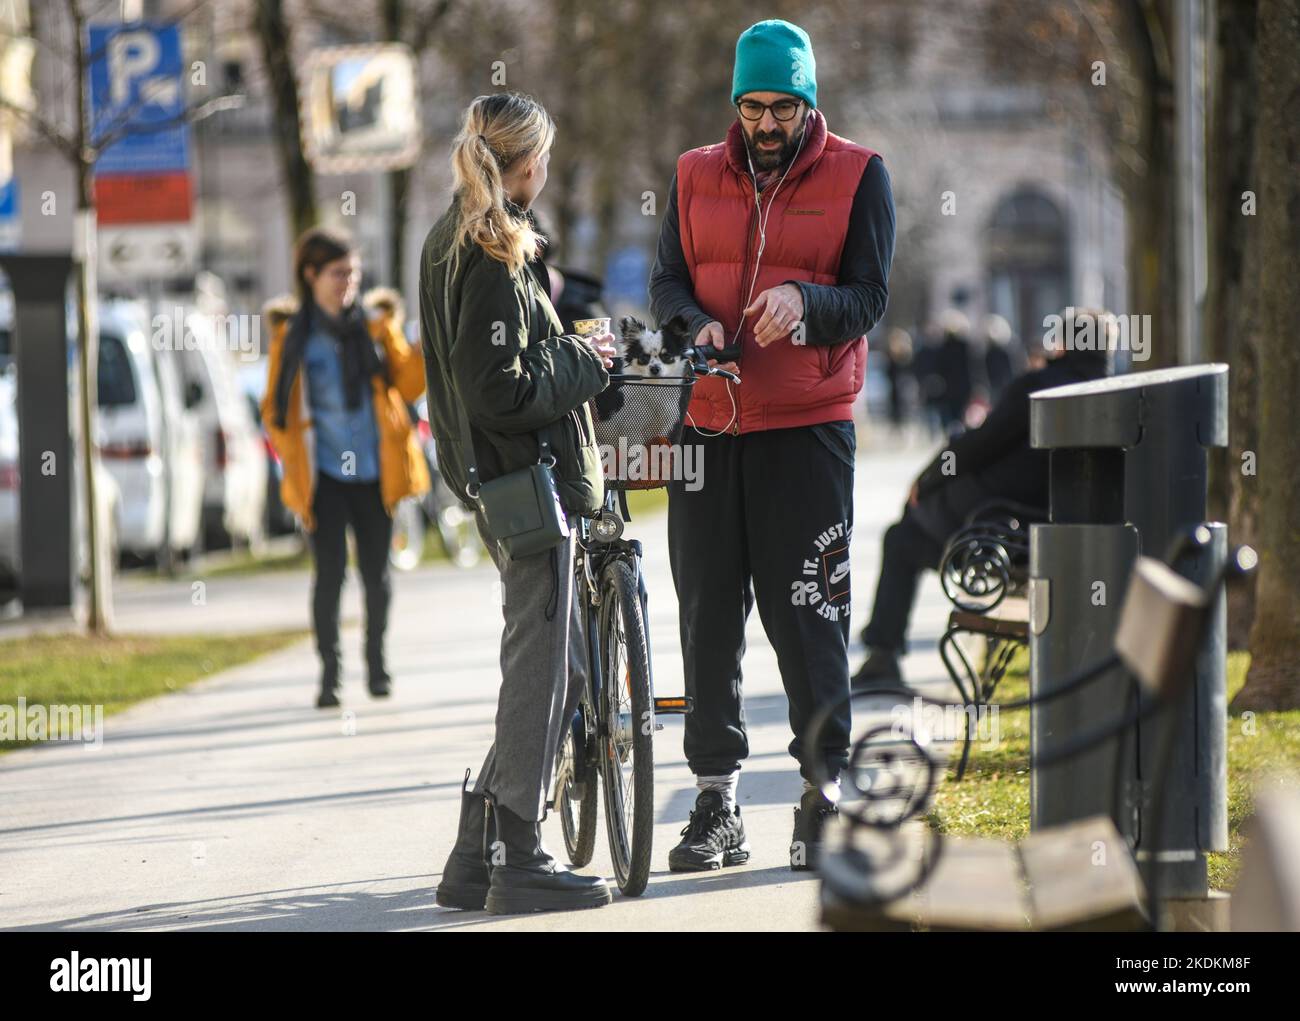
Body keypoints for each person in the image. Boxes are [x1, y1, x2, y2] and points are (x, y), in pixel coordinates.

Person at [648, 19, 896, 872]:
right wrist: (695, 322)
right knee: (707, 618)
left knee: (809, 619)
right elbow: (666, 283)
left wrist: (804, 302)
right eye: (750, 106)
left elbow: (868, 296)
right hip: (707, 427)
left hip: (808, 433)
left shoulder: (861, 175)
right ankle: (714, 802)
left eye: (780, 108)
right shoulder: (691, 174)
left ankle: (824, 794)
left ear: (808, 102)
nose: (762, 124)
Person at [419, 91, 616, 915]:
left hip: (497, 480)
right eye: (547, 156)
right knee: (543, 669)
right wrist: (583, 356)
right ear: (528, 162)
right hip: (526, 481)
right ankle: (520, 854)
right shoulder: (493, 246)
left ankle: (475, 854)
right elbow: (497, 386)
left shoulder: (450, 236)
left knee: (549, 662)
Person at [853, 308, 1117, 688]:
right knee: (905, 536)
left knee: (902, 538)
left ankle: (882, 655)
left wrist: (926, 480)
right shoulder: (1116, 394)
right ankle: (882, 654)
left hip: (1003, 529)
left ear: (1063, 344)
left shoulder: (1039, 385)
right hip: (1052, 535)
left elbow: (976, 445)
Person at [261, 229, 429, 709]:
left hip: (377, 472)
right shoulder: (291, 335)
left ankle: (377, 666)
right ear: (310, 275)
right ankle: (330, 676)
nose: (347, 282)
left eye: (353, 272)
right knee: (330, 574)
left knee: (377, 576)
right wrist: (292, 451)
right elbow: (274, 407)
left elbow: (412, 384)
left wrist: (403, 333)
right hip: (325, 476)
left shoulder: (374, 327)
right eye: (337, 273)